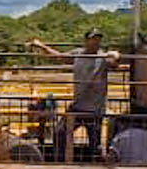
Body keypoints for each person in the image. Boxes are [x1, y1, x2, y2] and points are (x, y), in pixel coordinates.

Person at [31, 29, 120, 160]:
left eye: (98, 39)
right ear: (86, 41)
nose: (96, 42)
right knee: (59, 132)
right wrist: (41, 46)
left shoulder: (103, 58)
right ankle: (60, 160)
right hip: (78, 105)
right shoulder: (78, 53)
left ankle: (91, 167)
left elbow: (115, 64)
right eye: (93, 39)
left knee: (94, 144)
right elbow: (59, 57)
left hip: (95, 109)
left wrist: (116, 55)